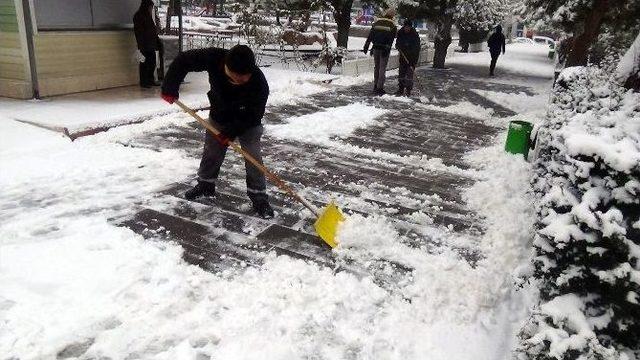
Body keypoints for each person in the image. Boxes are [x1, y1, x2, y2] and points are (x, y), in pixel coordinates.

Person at [160, 45, 274, 219]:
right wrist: (170, 86)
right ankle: (205, 185)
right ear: (228, 68)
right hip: (219, 115)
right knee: (212, 151)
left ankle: (258, 196)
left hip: (247, 122)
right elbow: (183, 60)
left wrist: (232, 131)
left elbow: (254, 114)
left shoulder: (259, 82)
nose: (244, 80)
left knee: (253, 157)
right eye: (239, 77)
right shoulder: (214, 58)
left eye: (247, 76)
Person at [363, 9, 397, 95]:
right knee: (382, 68)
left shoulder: (377, 22)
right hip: (384, 48)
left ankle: (375, 85)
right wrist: (388, 48)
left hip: (375, 48)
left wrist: (367, 44)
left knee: (377, 67)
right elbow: (391, 39)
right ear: (392, 16)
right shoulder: (392, 24)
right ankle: (379, 88)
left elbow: (371, 34)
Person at [133, 0, 161, 88]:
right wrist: (141, 45)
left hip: (151, 43)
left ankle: (150, 80)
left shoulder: (148, 15)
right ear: (146, 6)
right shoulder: (138, 16)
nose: (151, 9)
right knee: (144, 63)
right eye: (150, 7)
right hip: (144, 44)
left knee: (152, 62)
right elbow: (139, 32)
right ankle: (144, 82)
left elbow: (151, 28)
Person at [395, 19, 420, 96]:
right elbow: (398, 42)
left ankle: (408, 90)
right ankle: (401, 89)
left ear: (410, 27)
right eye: (406, 27)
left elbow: (416, 49)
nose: (407, 28)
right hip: (403, 57)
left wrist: (413, 62)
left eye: (408, 27)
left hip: (412, 58)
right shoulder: (400, 33)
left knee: (409, 75)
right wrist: (398, 46)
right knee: (401, 74)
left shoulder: (414, 35)